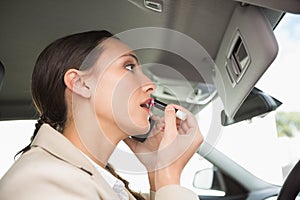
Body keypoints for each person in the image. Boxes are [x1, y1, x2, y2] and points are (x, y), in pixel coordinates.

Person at [0, 30, 203, 200]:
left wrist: (158, 174)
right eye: (129, 67)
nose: (150, 84)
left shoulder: (91, 179)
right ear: (80, 84)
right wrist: (169, 176)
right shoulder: (40, 182)